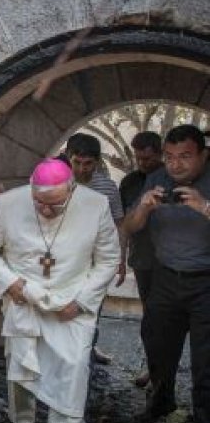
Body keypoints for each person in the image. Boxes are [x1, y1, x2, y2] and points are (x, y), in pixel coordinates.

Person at [0, 158, 120, 423]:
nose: (46, 211)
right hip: (24, 300)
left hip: (72, 306)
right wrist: (9, 282)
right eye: (39, 203)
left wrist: (81, 301)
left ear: (72, 190)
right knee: (21, 368)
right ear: (31, 188)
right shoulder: (6, 204)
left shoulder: (96, 205)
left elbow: (108, 259)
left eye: (56, 205)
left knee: (73, 372)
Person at [123, 124, 210, 423]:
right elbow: (129, 227)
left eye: (185, 156)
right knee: (156, 343)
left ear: (203, 155)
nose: (176, 165)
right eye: (170, 157)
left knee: (206, 363)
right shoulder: (156, 178)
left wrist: (204, 207)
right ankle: (161, 402)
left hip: (206, 280)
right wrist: (144, 208)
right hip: (166, 277)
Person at [66, 133, 126, 365]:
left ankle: (88, 350)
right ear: (68, 158)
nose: (82, 169)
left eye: (88, 163)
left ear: (98, 161)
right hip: (63, 261)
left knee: (91, 308)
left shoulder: (108, 187)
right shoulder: (57, 183)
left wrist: (121, 259)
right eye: (77, 162)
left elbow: (119, 223)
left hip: (95, 262)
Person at [119, 131, 163, 388]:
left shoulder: (171, 178)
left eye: (148, 158)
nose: (143, 163)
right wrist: (121, 257)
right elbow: (123, 222)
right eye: (139, 158)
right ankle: (153, 369)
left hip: (171, 261)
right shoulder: (130, 182)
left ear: (159, 153)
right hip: (144, 260)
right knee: (150, 318)